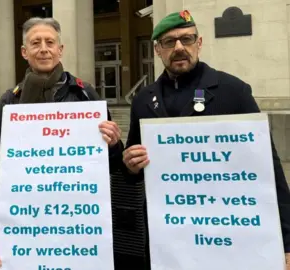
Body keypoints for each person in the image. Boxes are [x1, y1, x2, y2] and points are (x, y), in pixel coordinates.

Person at [122, 10, 290, 269]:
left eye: (186, 39)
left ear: (198, 44)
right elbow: (135, 161)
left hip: (227, 233)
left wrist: (287, 242)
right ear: (157, 50)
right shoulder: (144, 100)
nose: (179, 47)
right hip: (167, 239)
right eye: (169, 42)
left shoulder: (233, 91)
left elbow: (269, 169)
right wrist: (131, 165)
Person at [0, 17, 124, 270]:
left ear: (60, 49)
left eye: (50, 42)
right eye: (35, 43)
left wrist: (114, 144)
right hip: (23, 231)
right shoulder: (9, 102)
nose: (44, 48)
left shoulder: (85, 95)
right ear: (24, 52)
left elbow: (110, 168)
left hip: (76, 229)